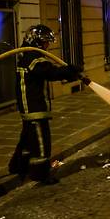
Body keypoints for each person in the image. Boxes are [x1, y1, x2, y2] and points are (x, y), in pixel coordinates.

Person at [8, 25, 84, 184]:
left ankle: (18, 166)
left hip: (31, 106)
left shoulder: (28, 55)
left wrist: (70, 74)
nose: (47, 46)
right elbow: (49, 72)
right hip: (34, 107)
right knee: (42, 142)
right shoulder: (32, 58)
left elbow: (47, 73)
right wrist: (69, 70)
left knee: (28, 139)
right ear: (36, 42)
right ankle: (41, 175)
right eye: (45, 42)